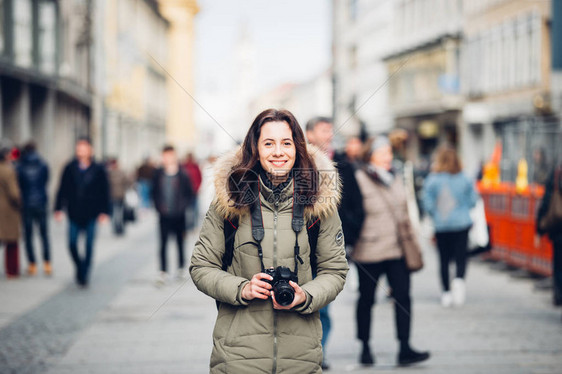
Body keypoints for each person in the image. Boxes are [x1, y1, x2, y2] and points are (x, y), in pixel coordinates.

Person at [190, 109, 348, 373]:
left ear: (298, 148)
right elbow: (200, 267)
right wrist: (242, 288)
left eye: (286, 143)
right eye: (268, 143)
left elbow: (335, 271)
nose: (278, 152)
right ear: (256, 148)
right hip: (238, 358)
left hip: (301, 359)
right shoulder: (229, 201)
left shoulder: (319, 204)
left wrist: (306, 295)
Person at [348, 135, 430, 366]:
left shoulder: (395, 177)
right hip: (369, 250)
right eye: (382, 152)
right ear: (370, 155)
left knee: (403, 297)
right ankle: (365, 347)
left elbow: (405, 212)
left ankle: (405, 348)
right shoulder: (359, 178)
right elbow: (351, 212)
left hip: (397, 249)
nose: (388, 156)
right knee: (366, 300)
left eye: (389, 152)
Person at [305, 116, 339, 370]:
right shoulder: (301, 161)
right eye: (323, 130)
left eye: (330, 129)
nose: (329, 134)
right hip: (303, 246)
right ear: (309, 133)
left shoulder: (338, 161)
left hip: (325, 248)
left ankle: (318, 353)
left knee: (323, 308)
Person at [423, 146, 477, 307]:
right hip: (462, 224)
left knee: (444, 259)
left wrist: (436, 213)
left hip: (441, 225)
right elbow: (473, 201)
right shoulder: (465, 178)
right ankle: (459, 282)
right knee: (461, 257)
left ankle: (446, 293)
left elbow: (427, 203)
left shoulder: (432, 180)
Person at [54, 137, 110, 287]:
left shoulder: (98, 169)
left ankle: (84, 273)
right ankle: (79, 265)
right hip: (74, 212)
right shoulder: (70, 167)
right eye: (79, 148)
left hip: (92, 212)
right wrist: (58, 208)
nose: (81, 151)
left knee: (89, 245)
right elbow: (62, 189)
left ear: (90, 150)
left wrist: (105, 212)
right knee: (72, 243)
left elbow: (105, 191)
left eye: (84, 148)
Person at [152, 145, 194, 285]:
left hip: (179, 215)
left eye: (170, 155)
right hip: (164, 215)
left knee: (180, 242)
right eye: (165, 155)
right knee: (163, 243)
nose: (167, 158)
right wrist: (159, 207)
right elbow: (154, 192)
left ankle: (181, 267)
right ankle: (163, 270)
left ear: (175, 156)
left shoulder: (182, 174)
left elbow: (189, 193)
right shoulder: (158, 174)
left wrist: (182, 207)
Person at [16, 142, 51, 276]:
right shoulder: (43, 164)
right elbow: (46, 180)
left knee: (28, 236)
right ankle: (47, 263)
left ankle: (32, 264)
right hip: (41, 202)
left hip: (26, 204)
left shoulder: (20, 167)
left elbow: (19, 185)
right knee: (44, 235)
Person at [536, 164, 562, 306]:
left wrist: (539, 227)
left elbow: (546, 200)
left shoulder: (557, 172)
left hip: (558, 227)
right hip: (558, 228)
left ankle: (559, 294)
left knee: (558, 263)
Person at [0, 144, 22, 278]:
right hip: (8, 211)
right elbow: (14, 193)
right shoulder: (9, 171)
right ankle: (12, 270)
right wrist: (20, 204)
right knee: (12, 241)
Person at [107, 158, 131, 235]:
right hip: (119, 195)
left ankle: (116, 227)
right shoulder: (120, 172)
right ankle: (119, 227)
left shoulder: (108, 173)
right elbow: (127, 182)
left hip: (113, 195)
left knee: (115, 212)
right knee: (119, 212)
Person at [182, 152, 202, 230]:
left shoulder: (195, 166)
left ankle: (193, 225)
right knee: (188, 209)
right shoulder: (184, 166)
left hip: (194, 191)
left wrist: (197, 187)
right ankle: (189, 225)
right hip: (187, 192)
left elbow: (199, 177)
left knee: (194, 208)